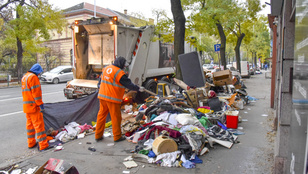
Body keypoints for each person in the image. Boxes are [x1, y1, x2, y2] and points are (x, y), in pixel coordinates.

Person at [95, 57, 145, 142]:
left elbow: (100, 82)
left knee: (101, 116)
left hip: (102, 96)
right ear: (121, 64)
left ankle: (98, 135)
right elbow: (128, 84)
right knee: (116, 117)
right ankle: (117, 136)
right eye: (124, 65)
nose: (124, 67)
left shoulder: (106, 68)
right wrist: (138, 88)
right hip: (112, 98)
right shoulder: (119, 72)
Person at [21, 63, 50, 151]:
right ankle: (43, 145)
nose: (39, 74)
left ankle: (31, 143)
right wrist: (40, 105)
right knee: (39, 126)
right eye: (39, 73)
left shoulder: (25, 77)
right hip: (34, 106)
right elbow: (36, 94)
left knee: (30, 126)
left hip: (27, 106)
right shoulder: (33, 77)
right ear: (37, 72)